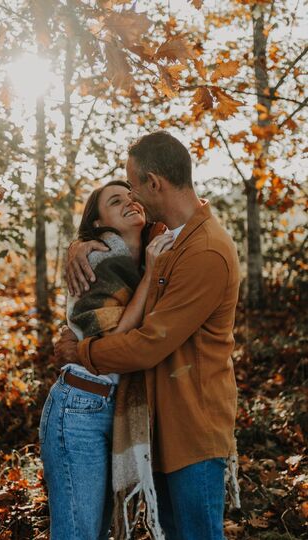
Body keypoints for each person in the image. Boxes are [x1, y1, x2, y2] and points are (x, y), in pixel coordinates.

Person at [55, 131, 241, 540]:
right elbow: (114, 238)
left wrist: (82, 352)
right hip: (163, 422)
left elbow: (149, 344)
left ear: (154, 183)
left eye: (134, 185)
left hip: (193, 426)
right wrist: (80, 246)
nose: (132, 196)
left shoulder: (204, 251)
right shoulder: (170, 234)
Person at [39, 180, 174, 540]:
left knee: (95, 532)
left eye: (132, 196)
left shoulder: (148, 250)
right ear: (98, 224)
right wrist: (149, 273)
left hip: (111, 408)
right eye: (116, 201)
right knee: (78, 533)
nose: (130, 202)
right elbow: (113, 344)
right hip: (79, 409)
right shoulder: (97, 260)